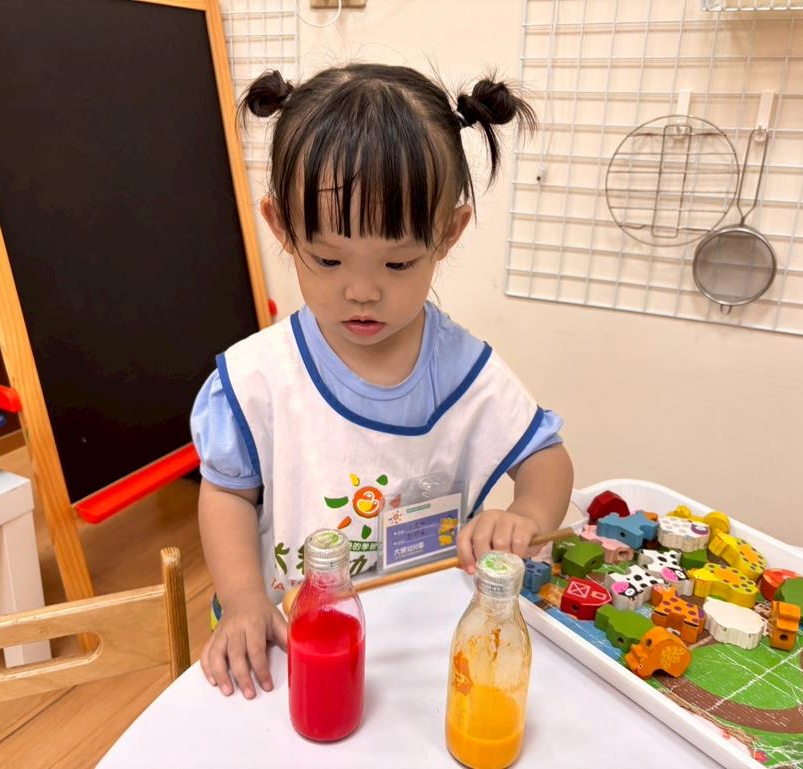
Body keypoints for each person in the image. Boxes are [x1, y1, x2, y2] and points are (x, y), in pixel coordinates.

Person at [191, 63, 574, 699]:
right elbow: (227, 493)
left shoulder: (463, 369)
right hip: (292, 636)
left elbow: (547, 460)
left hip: (425, 642)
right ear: (282, 227)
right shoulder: (259, 377)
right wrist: (242, 599)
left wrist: (525, 515)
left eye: (398, 263)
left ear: (447, 235)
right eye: (328, 259)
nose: (362, 291)